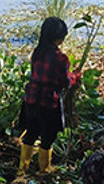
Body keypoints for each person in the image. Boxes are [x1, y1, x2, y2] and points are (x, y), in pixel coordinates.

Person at [17, 17, 79, 175]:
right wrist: (75, 77)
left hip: (31, 99)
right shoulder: (61, 58)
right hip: (48, 102)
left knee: (30, 133)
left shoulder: (37, 52)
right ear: (59, 37)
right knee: (48, 136)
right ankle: (44, 169)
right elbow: (65, 82)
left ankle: (22, 170)